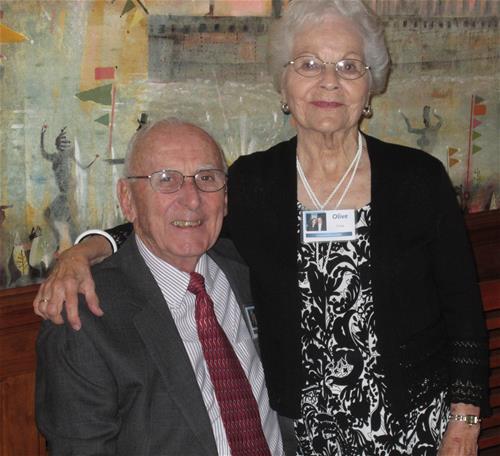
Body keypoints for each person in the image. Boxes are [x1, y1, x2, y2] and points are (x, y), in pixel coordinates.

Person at [34, 1, 489, 454]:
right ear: (284, 83)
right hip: (301, 436)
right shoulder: (255, 183)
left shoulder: (418, 180)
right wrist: (85, 250)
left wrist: (465, 421)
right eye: (309, 64)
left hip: (413, 426)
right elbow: (176, 219)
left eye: (349, 66)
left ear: (370, 85)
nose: (329, 81)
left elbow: (463, 309)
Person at [36, 119, 289, 455]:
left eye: (207, 178)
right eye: (166, 179)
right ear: (127, 199)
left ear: (226, 197)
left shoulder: (256, 270)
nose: (192, 200)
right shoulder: (84, 319)